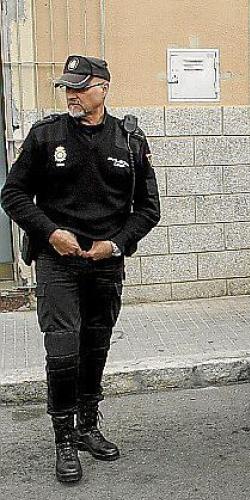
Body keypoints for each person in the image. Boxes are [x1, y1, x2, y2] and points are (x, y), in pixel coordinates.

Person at [0, 55, 160, 483]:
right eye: (67, 87)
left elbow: (148, 209)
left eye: (80, 86)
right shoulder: (45, 135)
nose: (71, 94)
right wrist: (51, 233)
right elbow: (13, 194)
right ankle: (64, 440)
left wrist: (116, 243)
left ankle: (87, 425)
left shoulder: (129, 140)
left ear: (103, 88)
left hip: (105, 263)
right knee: (62, 349)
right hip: (58, 262)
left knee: (95, 346)